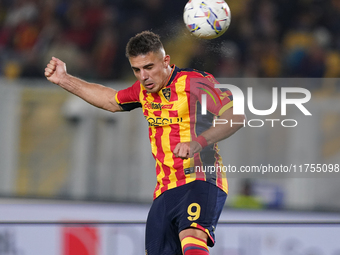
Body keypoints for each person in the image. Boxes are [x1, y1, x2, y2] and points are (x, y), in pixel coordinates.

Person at [45, 31, 245, 255]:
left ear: (166, 61)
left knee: (193, 243)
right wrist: (64, 79)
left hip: (200, 179)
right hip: (165, 190)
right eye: (137, 70)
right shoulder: (142, 91)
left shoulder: (195, 82)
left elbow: (235, 118)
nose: (144, 76)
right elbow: (111, 100)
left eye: (149, 67)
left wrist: (198, 142)